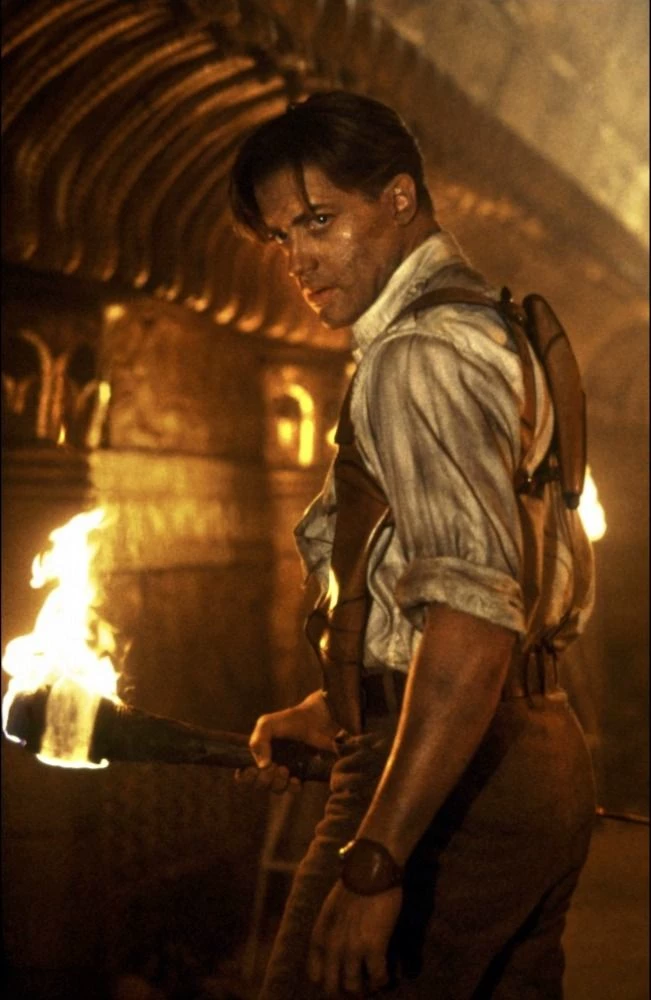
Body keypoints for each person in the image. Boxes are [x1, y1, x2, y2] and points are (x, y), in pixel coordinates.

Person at [228, 90, 596, 999]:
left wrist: (376, 861)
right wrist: (341, 704)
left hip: (452, 790)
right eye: (281, 236)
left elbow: (471, 619)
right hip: (532, 752)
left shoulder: (419, 355)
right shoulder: (487, 324)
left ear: (398, 198)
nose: (299, 259)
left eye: (320, 220)